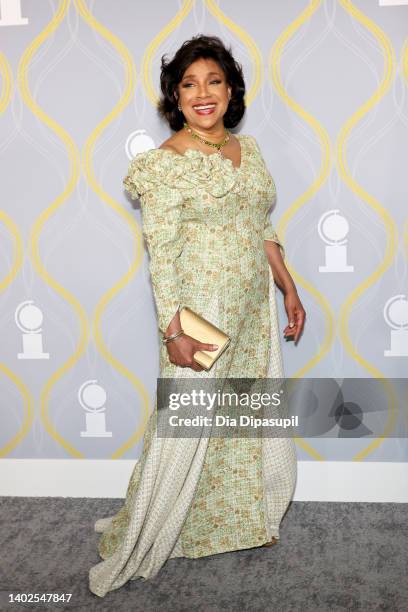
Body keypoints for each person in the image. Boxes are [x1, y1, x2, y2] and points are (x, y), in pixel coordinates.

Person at [89, 34, 306, 598]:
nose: (202, 94)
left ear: (230, 89)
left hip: (253, 309)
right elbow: (161, 251)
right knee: (182, 429)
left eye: (213, 81)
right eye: (189, 84)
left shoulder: (248, 150)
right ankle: (151, 530)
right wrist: (173, 329)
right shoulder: (163, 166)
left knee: (245, 420)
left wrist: (289, 290)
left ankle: (231, 522)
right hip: (201, 311)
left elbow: (261, 227)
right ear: (176, 98)